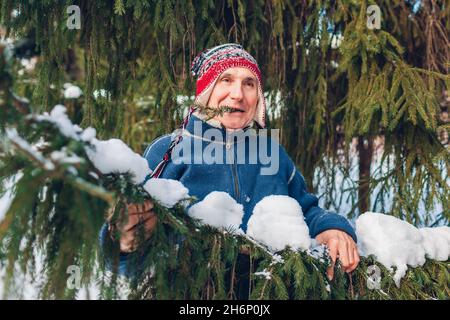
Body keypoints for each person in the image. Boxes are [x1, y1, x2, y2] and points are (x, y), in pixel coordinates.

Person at [102, 43, 359, 281]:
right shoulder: (168, 150)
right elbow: (135, 252)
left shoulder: (272, 152)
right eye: (226, 80)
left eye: (249, 84)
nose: (238, 94)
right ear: (205, 91)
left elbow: (306, 210)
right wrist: (124, 241)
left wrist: (333, 228)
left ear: (258, 98)